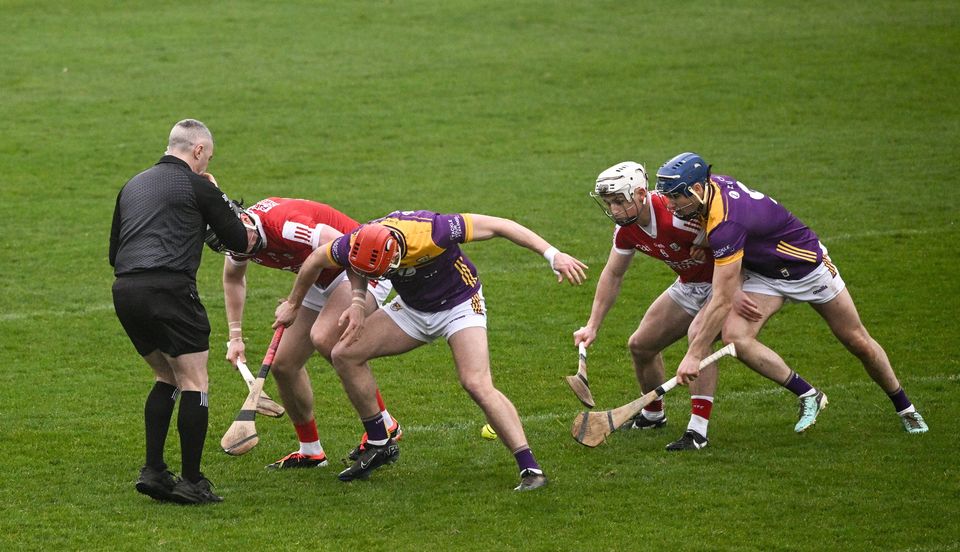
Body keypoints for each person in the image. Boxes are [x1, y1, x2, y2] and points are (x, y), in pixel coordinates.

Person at [274, 211, 588, 491]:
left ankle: (530, 468)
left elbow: (500, 225)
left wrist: (552, 254)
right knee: (344, 353)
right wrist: (354, 302)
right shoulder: (357, 240)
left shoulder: (433, 231)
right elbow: (330, 262)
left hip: (460, 305)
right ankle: (380, 442)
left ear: (397, 252)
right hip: (411, 309)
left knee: (475, 382)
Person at [658, 152, 928, 435]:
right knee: (736, 337)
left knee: (857, 340)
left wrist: (694, 354)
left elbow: (722, 298)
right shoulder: (712, 191)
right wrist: (707, 244)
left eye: (676, 197)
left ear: (698, 189)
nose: (671, 204)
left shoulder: (726, 222)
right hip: (764, 274)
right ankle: (808, 394)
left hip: (807, 267)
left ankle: (905, 408)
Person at [110, 118, 257, 505]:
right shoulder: (197, 184)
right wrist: (218, 195)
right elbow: (241, 239)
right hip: (171, 289)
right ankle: (192, 481)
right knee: (194, 381)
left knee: (165, 375)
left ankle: (154, 471)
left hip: (126, 291)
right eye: (208, 155)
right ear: (197, 151)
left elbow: (114, 252)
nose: (207, 161)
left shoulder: (133, 185)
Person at [205, 197, 400, 469]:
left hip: (360, 268)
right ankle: (311, 451)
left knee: (325, 337)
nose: (244, 250)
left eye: (244, 242)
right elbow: (233, 279)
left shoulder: (286, 226)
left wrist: (295, 303)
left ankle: (385, 424)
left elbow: (349, 247)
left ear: (245, 219)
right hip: (319, 278)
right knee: (284, 364)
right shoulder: (236, 239)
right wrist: (235, 337)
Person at [574, 161, 719, 451]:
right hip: (690, 284)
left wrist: (707, 242)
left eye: (619, 201)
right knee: (641, 345)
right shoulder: (626, 230)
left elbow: (732, 232)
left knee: (697, 341)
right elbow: (613, 274)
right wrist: (592, 325)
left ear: (641, 194)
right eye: (609, 203)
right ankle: (653, 414)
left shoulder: (677, 213)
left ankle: (698, 431)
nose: (614, 210)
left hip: (727, 284)